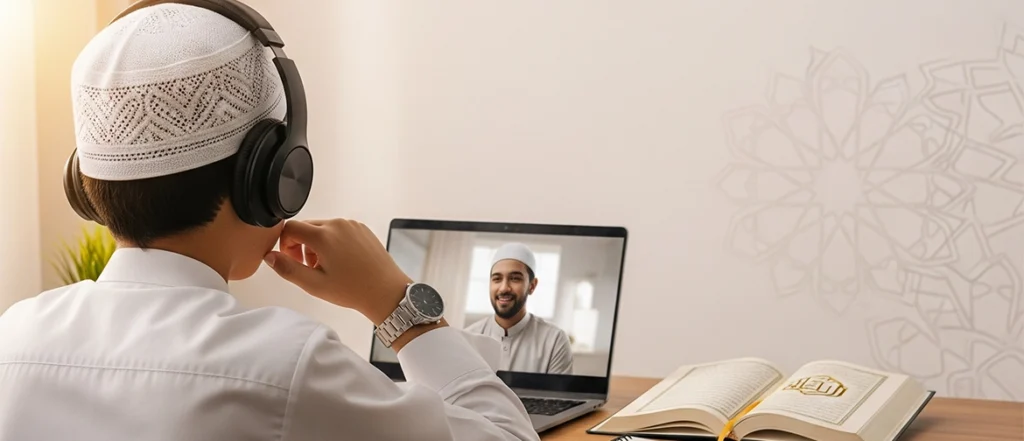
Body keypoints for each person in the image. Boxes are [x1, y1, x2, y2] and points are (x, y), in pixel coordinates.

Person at [0, 3, 537, 441]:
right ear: (275, 175)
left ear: (86, 181)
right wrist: (397, 304)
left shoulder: (13, 338)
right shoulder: (284, 367)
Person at [465, 243, 575, 375]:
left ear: (532, 286)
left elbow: (557, 395)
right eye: (497, 279)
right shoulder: (468, 339)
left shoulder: (554, 340)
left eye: (515, 279)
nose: (504, 288)